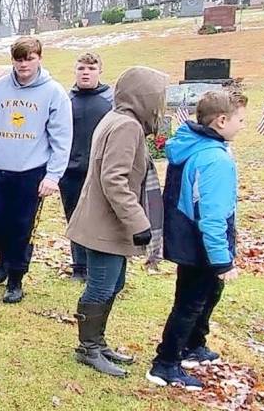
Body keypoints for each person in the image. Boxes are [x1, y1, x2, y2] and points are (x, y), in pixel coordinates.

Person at [66, 66, 168, 377]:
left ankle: (97, 341)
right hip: (105, 224)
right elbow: (114, 179)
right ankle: (88, 348)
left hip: (104, 220)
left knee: (114, 283)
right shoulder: (127, 126)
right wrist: (140, 223)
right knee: (100, 287)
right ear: (144, 97)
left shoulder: (117, 118)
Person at [146, 90, 247, 391]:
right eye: (240, 120)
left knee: (206, 293)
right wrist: (222, 259)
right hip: (201, 241)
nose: (243, 126)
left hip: (187, 235)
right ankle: (165, 364)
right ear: (221, 121)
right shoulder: (214, 158)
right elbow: (213, 215)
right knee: (190, 303)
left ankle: (193, 345)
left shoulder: (195, 145)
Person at [0, 36, 72, 304]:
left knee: (21, 227)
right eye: (18, 59)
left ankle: (15, 279)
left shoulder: (54, 93)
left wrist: (53, 175)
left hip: (31, 172)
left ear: (39, 58)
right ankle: (3, 254)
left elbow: (62, 138)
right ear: (12, 60)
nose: (23, 64)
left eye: (29, 58)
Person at [60, 52, 113, 282]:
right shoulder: (65, 101)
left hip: (99, 172)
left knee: (98, 220)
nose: (86, 73)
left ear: (100, 71)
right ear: (75, 70)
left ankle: (98, 267)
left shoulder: (110, 102)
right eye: (81, 68)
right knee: (75, 220)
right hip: (70, 172)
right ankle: (79, 267)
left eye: (91, 69)